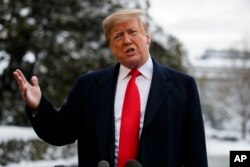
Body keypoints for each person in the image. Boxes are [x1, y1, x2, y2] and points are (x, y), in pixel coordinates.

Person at [13, 9, 208, 167]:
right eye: (118, 36)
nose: (127, 40)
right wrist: (38, 105)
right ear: (111, 46)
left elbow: (195, 153)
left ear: (147, 37)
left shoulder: (183, 86)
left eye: (132, 32)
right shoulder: (88, 86)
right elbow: (60, 132)